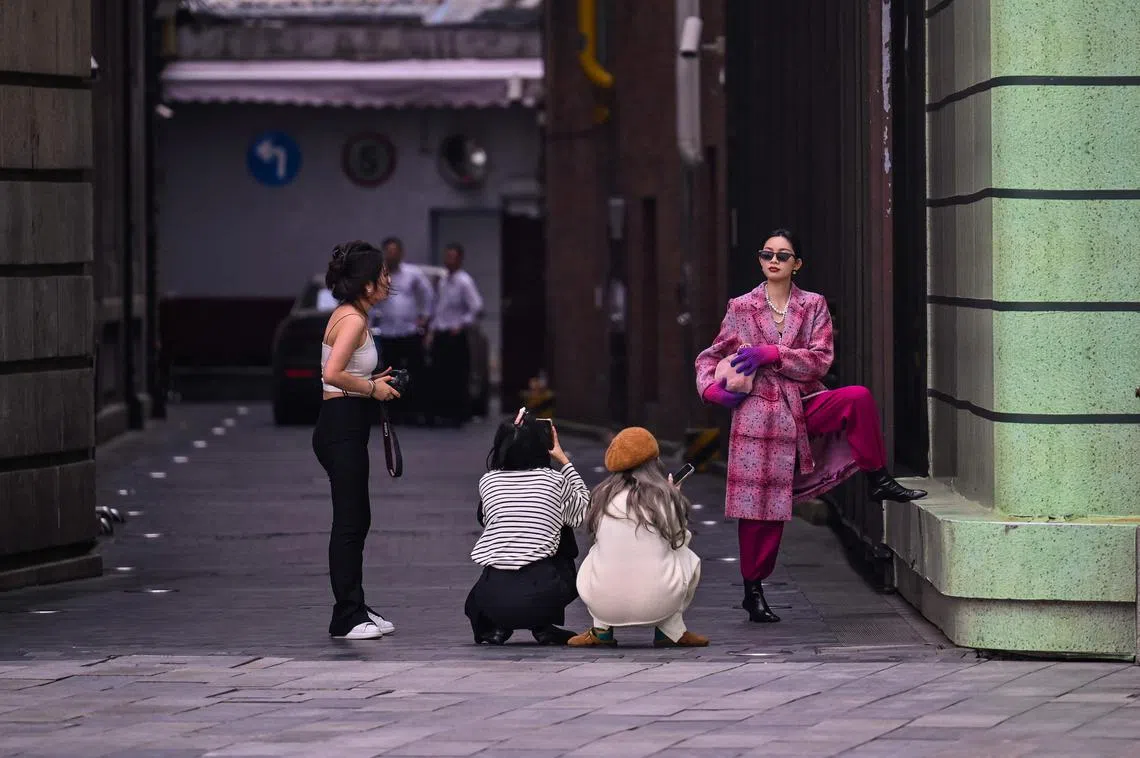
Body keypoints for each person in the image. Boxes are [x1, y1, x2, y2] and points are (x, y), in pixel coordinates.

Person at [695, 228, 926, 624]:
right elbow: (709, 356)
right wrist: (712, 393)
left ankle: (878, 478)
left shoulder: (813, 305)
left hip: (802, 402)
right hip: (757, 414)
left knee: (856, 398)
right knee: (759, 514)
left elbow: (821, 361)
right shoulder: (741, 307)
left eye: (783, 256)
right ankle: (754, 590)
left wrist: (775, 354)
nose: (773, 260)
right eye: (766, 253)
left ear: (797, 264)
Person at [313, 240, 402, 640]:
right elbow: (332, 374)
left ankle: (356, 604)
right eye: (382, 274)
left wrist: (373, 382)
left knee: (357, 518)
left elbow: (344, 372)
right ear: (366, 285)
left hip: (346, 423)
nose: (388, 280)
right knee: (349, 522)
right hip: (341, 425)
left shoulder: (351, 315)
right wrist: (372, 390)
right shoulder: (352, 320)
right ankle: (345, 616)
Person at [569, 427, 708, 648]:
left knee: (597, 551)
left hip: (605, 605)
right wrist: (675, 498)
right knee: (686, 555)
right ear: (654, 462)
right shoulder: (664, 498)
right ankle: (670, 632)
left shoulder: (601, 498)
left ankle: (601, 632)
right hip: (660, 604)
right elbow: (678, 539)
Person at [465, 409, 589, 646]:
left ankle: (498, 628)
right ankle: (542, 625)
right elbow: (583, 512)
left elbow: (484, 518)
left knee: (508, 540)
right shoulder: (554, 480)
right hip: (544, 594)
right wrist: (564, 460)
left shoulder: (488, 481)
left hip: (492, 597)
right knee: (562, 528)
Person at [370, 236, 434, 424]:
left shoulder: (412, 274)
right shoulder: (378, 275)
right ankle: (394, 413)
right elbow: (372, 301)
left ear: (401, 253)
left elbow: (428, 294)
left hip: (410, 331)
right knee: (390, 374)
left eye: (395, 252)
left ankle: (418, 412)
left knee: (415, 372)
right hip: (388, 333)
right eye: (388, 252)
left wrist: (424, 316)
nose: (392, 255)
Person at [429, 243, 483, 427]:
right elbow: (438, 308)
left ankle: (459, 414)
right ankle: (442, 412)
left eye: (453, 257)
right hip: (441, 332)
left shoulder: (464, 281)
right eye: (447, 256)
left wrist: (461, 324)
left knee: (457, 375)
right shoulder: (443, 280)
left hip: (455, 333)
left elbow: (476, 307)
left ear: (460, 259)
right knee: (440, 374)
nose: (449, 260)